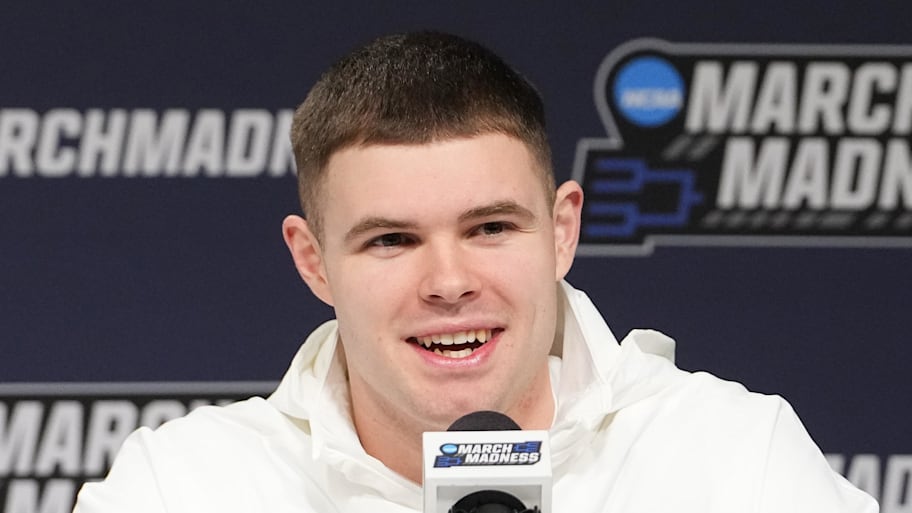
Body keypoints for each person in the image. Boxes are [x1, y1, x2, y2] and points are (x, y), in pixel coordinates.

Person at [74, 31, 878, 512]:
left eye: (490, 227)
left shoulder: (734, 459)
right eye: (392, 240)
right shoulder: (181, 488)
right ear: (312, 260)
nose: (450, 281)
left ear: (562, 230)